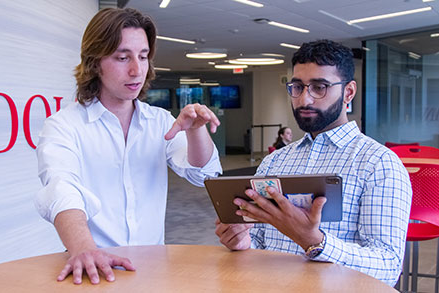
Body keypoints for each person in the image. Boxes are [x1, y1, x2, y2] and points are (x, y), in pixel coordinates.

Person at [35, 8, 222, 285]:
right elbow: (62, 188)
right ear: (94, 62)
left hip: (154, 271)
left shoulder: (159, 122)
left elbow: (201, 173)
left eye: (143, 56)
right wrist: (84, 248)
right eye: (123, 57)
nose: (137, 69)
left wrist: (196, 132)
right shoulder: (64, 126)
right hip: (94, 269)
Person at [215, 39, 412, 286]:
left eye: (320, 87)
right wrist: (244, 243)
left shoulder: (378, 163)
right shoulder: (274, 161)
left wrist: (315, 241)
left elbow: (388, 267)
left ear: (348, 92)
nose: (305, 99)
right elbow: (261, 244)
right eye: (297, 87)